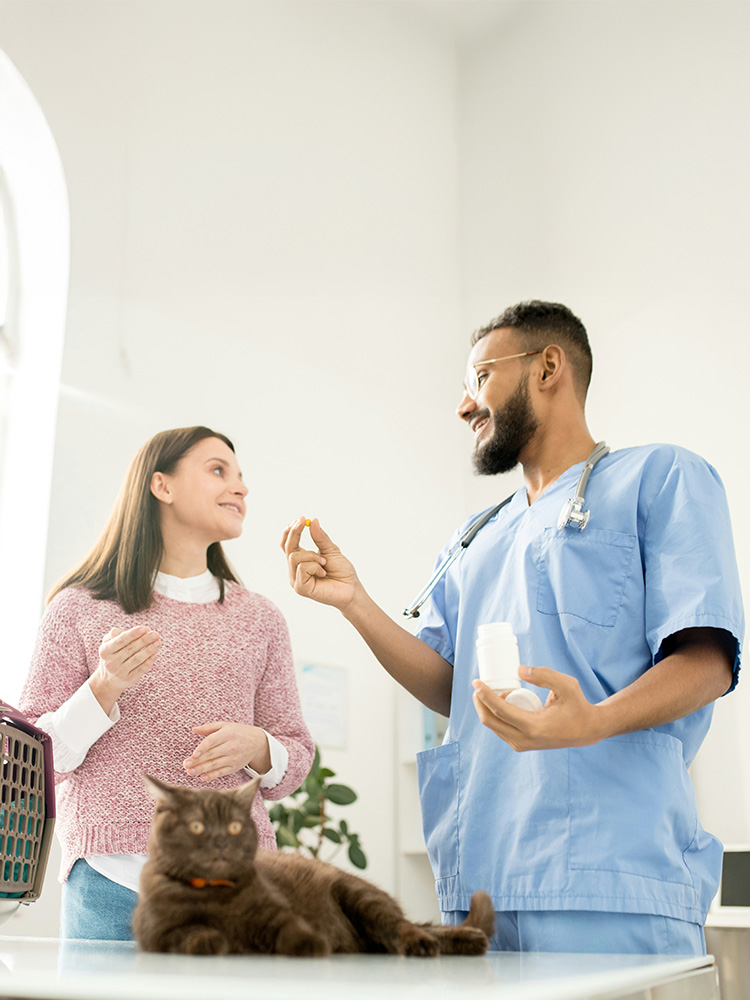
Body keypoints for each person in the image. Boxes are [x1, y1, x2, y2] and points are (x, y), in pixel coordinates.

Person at [282, 300, 744, 956]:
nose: (464, 406)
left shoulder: (660, 478)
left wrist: (594, 720)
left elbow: (707, 660)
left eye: (479, 379)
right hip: (482, 891)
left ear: (547, 366)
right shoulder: (477, 536)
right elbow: (452, 686)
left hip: (614, 881)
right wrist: (354, 601)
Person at [21, 426, 314, 940]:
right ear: (162, 486)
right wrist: (104, 687)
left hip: (239, 889)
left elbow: (296, 757)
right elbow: (32, 762)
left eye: (242, 476)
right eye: (218, 470)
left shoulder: (261, 620)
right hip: (110, 884)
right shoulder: (76, 608)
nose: (241, 488)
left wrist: (260, 745)